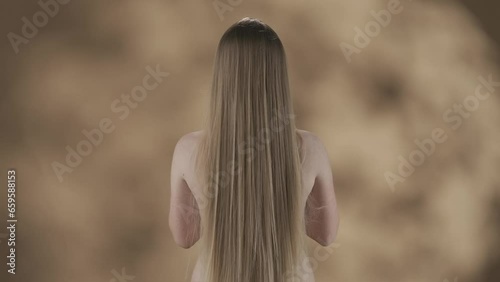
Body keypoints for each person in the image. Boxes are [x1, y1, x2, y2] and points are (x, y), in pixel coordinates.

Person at [169, 17, 339, 282]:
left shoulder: (188, 149)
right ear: (278, 77)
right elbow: (326, 234)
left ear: (222, 77)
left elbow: (184, 237)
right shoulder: (310, 148)